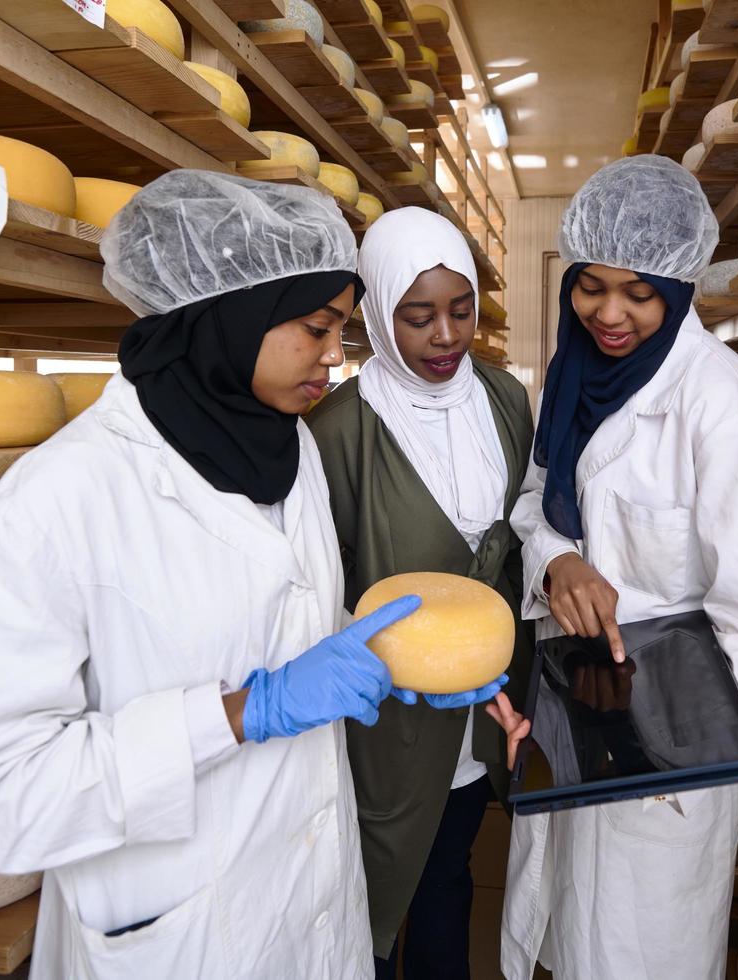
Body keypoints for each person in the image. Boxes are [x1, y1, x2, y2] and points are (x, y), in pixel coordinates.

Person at [0, 171, 420, 978]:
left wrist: (397, 654)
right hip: (180, 934)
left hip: (313, 906)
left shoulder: (292, 449)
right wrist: (244, 713)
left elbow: (276, 614)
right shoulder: (61, 497)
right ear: (227, 316)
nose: (335, 357)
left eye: (342, 331)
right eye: (317, 327)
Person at [492, 156, 738, 979]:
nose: (608, 313)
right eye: (589, 286)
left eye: (638, 293)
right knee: (566, 933)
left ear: (678, 286)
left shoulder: (724, 406)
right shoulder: (571, 376)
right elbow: (534, 500)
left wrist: (673, 751)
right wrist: (559, 558)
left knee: (640, 950)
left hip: (670, 743)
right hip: (576, 703)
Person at [306, 207, 535, 979]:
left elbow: (518, 537)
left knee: (447, 874)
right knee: (373, 888)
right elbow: (313, 580)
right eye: (417, 317)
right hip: (384, 718)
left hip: (477, 704)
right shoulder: (340, 428)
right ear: (374, 315)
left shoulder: (504, 400)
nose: (446, 336)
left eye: (461, 309)